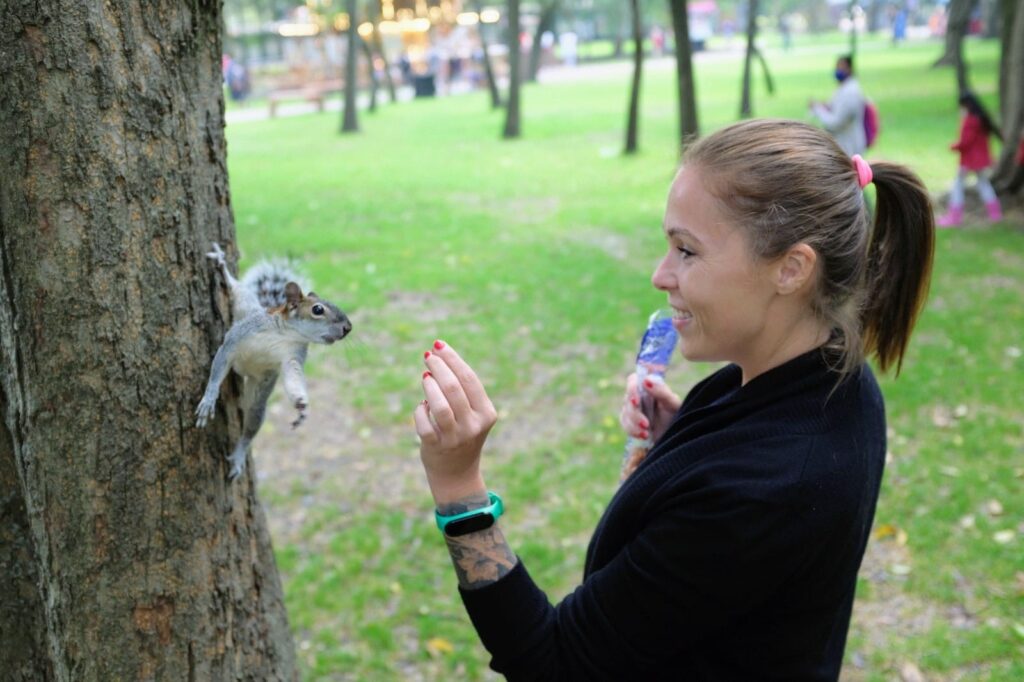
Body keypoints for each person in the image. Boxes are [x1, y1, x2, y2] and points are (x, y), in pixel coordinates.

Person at [412, 118, 935, 680]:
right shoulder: (835, 379)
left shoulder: (761, 493)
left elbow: (553, 662)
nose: (661, 275)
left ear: (792, 268)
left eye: (687, 250)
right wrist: (684, 442)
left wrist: (460, 491)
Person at [937, 91, 1004, 227]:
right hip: (981, 160)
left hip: (969, 160)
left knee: (957, 186)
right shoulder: (981, 120)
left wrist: (953, 146)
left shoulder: (970, 121)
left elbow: (966, 142)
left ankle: (954, 216)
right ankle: (995, 213)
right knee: (984, 184)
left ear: (966, 105)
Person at [809, 54, 867, 156]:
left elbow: (836, 123)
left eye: (841, 67)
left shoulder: (850, 92)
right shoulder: (844, 88)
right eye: (837, 67)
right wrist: (826, 106)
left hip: (848, 147)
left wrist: (818, 109)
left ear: (849, 69)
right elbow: (835, 107)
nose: (838, 70)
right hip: (844, 144)